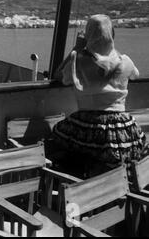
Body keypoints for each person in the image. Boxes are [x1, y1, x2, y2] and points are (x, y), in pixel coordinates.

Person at [50, 14, 147, 179]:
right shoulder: (125, 61)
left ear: (88, 35)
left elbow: (58, 75)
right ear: (112, 35)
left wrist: (77, 48)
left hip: (87, 124)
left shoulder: (78, 60)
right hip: (122, 127)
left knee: (57, 141)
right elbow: (135, 75)